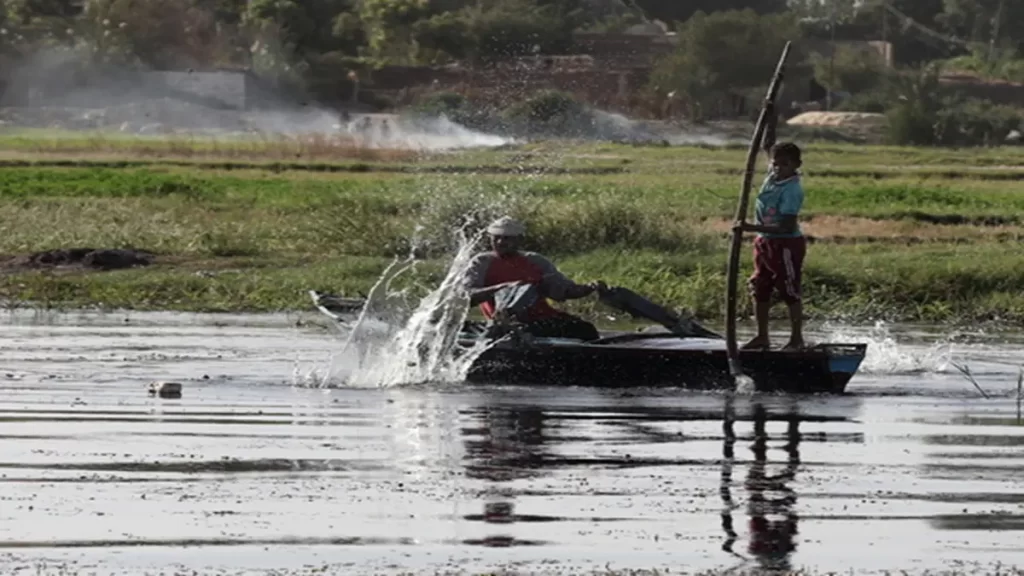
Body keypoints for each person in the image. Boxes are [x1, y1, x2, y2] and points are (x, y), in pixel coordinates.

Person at [733, 101, 806, 350]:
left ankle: (796, 338)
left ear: (795, 166)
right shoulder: (771, 177)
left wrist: (749, 228)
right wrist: (770, 116)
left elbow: (786, 227)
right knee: (759, 286)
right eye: (776, 164)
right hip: (764, 243)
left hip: (785, 244)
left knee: (788, 290)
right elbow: (768, 145)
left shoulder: (792, 189)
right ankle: (762, 337)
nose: (778, 168)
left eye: (784, 165)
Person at [463, 216, 605, 341]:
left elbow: (563, 291)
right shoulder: (481, 262)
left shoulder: (536, 261)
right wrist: (502, 288)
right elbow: (467, 297)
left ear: (519, 240)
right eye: (496, 238)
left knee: (586, 330)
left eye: (507, 238)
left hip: (539, 321)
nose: (500, 242)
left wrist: (589, 288)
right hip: (503, 325)